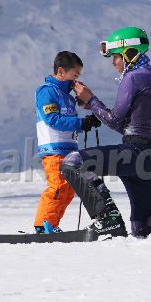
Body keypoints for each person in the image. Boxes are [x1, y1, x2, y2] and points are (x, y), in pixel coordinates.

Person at [60, 27, 151, 237]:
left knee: (73, 162)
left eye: (115, 57)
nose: (113, 63)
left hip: (136, 152)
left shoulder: (133, 78)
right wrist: (93, 106)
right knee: (143, 228)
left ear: (130, 53)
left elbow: (115, 120)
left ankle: (107, 218)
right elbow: (130, 126)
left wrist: (92, 100)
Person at [33, 51, 102, 233]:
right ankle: (43, 225)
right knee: (58, 186)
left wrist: (87, 122)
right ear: (61, 71)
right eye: (75, 75)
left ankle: (51, 225)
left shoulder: (68, 97)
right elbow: (52, 119)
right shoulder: (47, 91)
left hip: (69, 150)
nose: (76, 80)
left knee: (69, 188)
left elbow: (69, 122)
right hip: (53, 149)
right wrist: (81, 123)